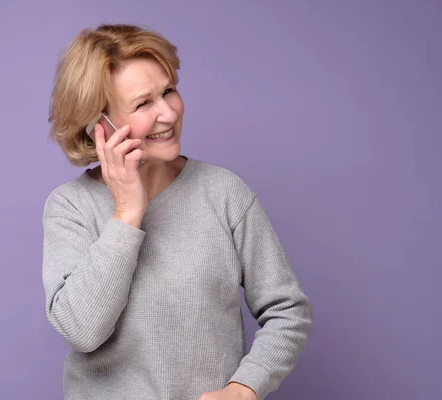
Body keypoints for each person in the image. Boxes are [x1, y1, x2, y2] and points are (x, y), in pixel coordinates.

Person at [42, 23, 312, 400]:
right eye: (142, 104)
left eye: (168, 91)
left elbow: (287, 310)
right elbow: (82, 331)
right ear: (97, 126)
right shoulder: (70, 207)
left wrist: (243, 388)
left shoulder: (223, 193)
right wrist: (127, 212)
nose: (167, 114)